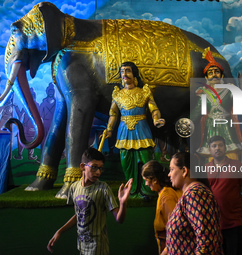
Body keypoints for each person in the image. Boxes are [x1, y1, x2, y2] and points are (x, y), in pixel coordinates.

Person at [47, 147, 132, 255]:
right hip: (82, 245)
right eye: (94, 167)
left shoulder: (103, 188)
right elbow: (78, 215)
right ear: (83, 167)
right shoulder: (74, 187)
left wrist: (123, 203)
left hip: (98, 247)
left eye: (101, 168)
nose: (98, 172)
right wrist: (59, 231)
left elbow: (119, 220)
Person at [105, 61, 165, 198]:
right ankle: (131, 190)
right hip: (124, 130)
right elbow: (113, 114)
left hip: (142, 128)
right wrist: (109, 129)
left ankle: (148, 190)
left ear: (134, 74)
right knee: (126, 161)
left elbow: (154, 109)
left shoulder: (144, 92)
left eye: (127, 71)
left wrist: (156, 119)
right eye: (122, 72)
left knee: (146, 160)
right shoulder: (117, 94)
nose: (124, 74)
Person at [206, 135, 242, 255]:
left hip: (234, 222)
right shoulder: (206, 168)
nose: (217, 148)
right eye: (214, 146)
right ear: (210, 150)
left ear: (225, 148)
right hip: (214, 224)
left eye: (220, 145)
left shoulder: (236, 165)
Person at [163, 152, 223, 255]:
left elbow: (207, 241)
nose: (169, 174)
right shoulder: (188, 194)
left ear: (184, 171)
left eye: (172, 169)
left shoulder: (196, 194)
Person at [191, 47, 242, 160]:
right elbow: (197, 112)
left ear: (222, 76)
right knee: (211, 159)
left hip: (227, 127)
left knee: (232, 157)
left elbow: (241, 107)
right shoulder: (203, 94)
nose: (214, 75)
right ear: (206, 77)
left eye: (217, 72)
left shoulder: (230, 91)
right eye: (210, 73)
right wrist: (187, 122)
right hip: (211, 129)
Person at [141, 160, 182, 254]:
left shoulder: (167, 196)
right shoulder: (163, 193)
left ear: (155, 179)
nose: (146, 184)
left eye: (146, 180)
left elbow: (175, 230)